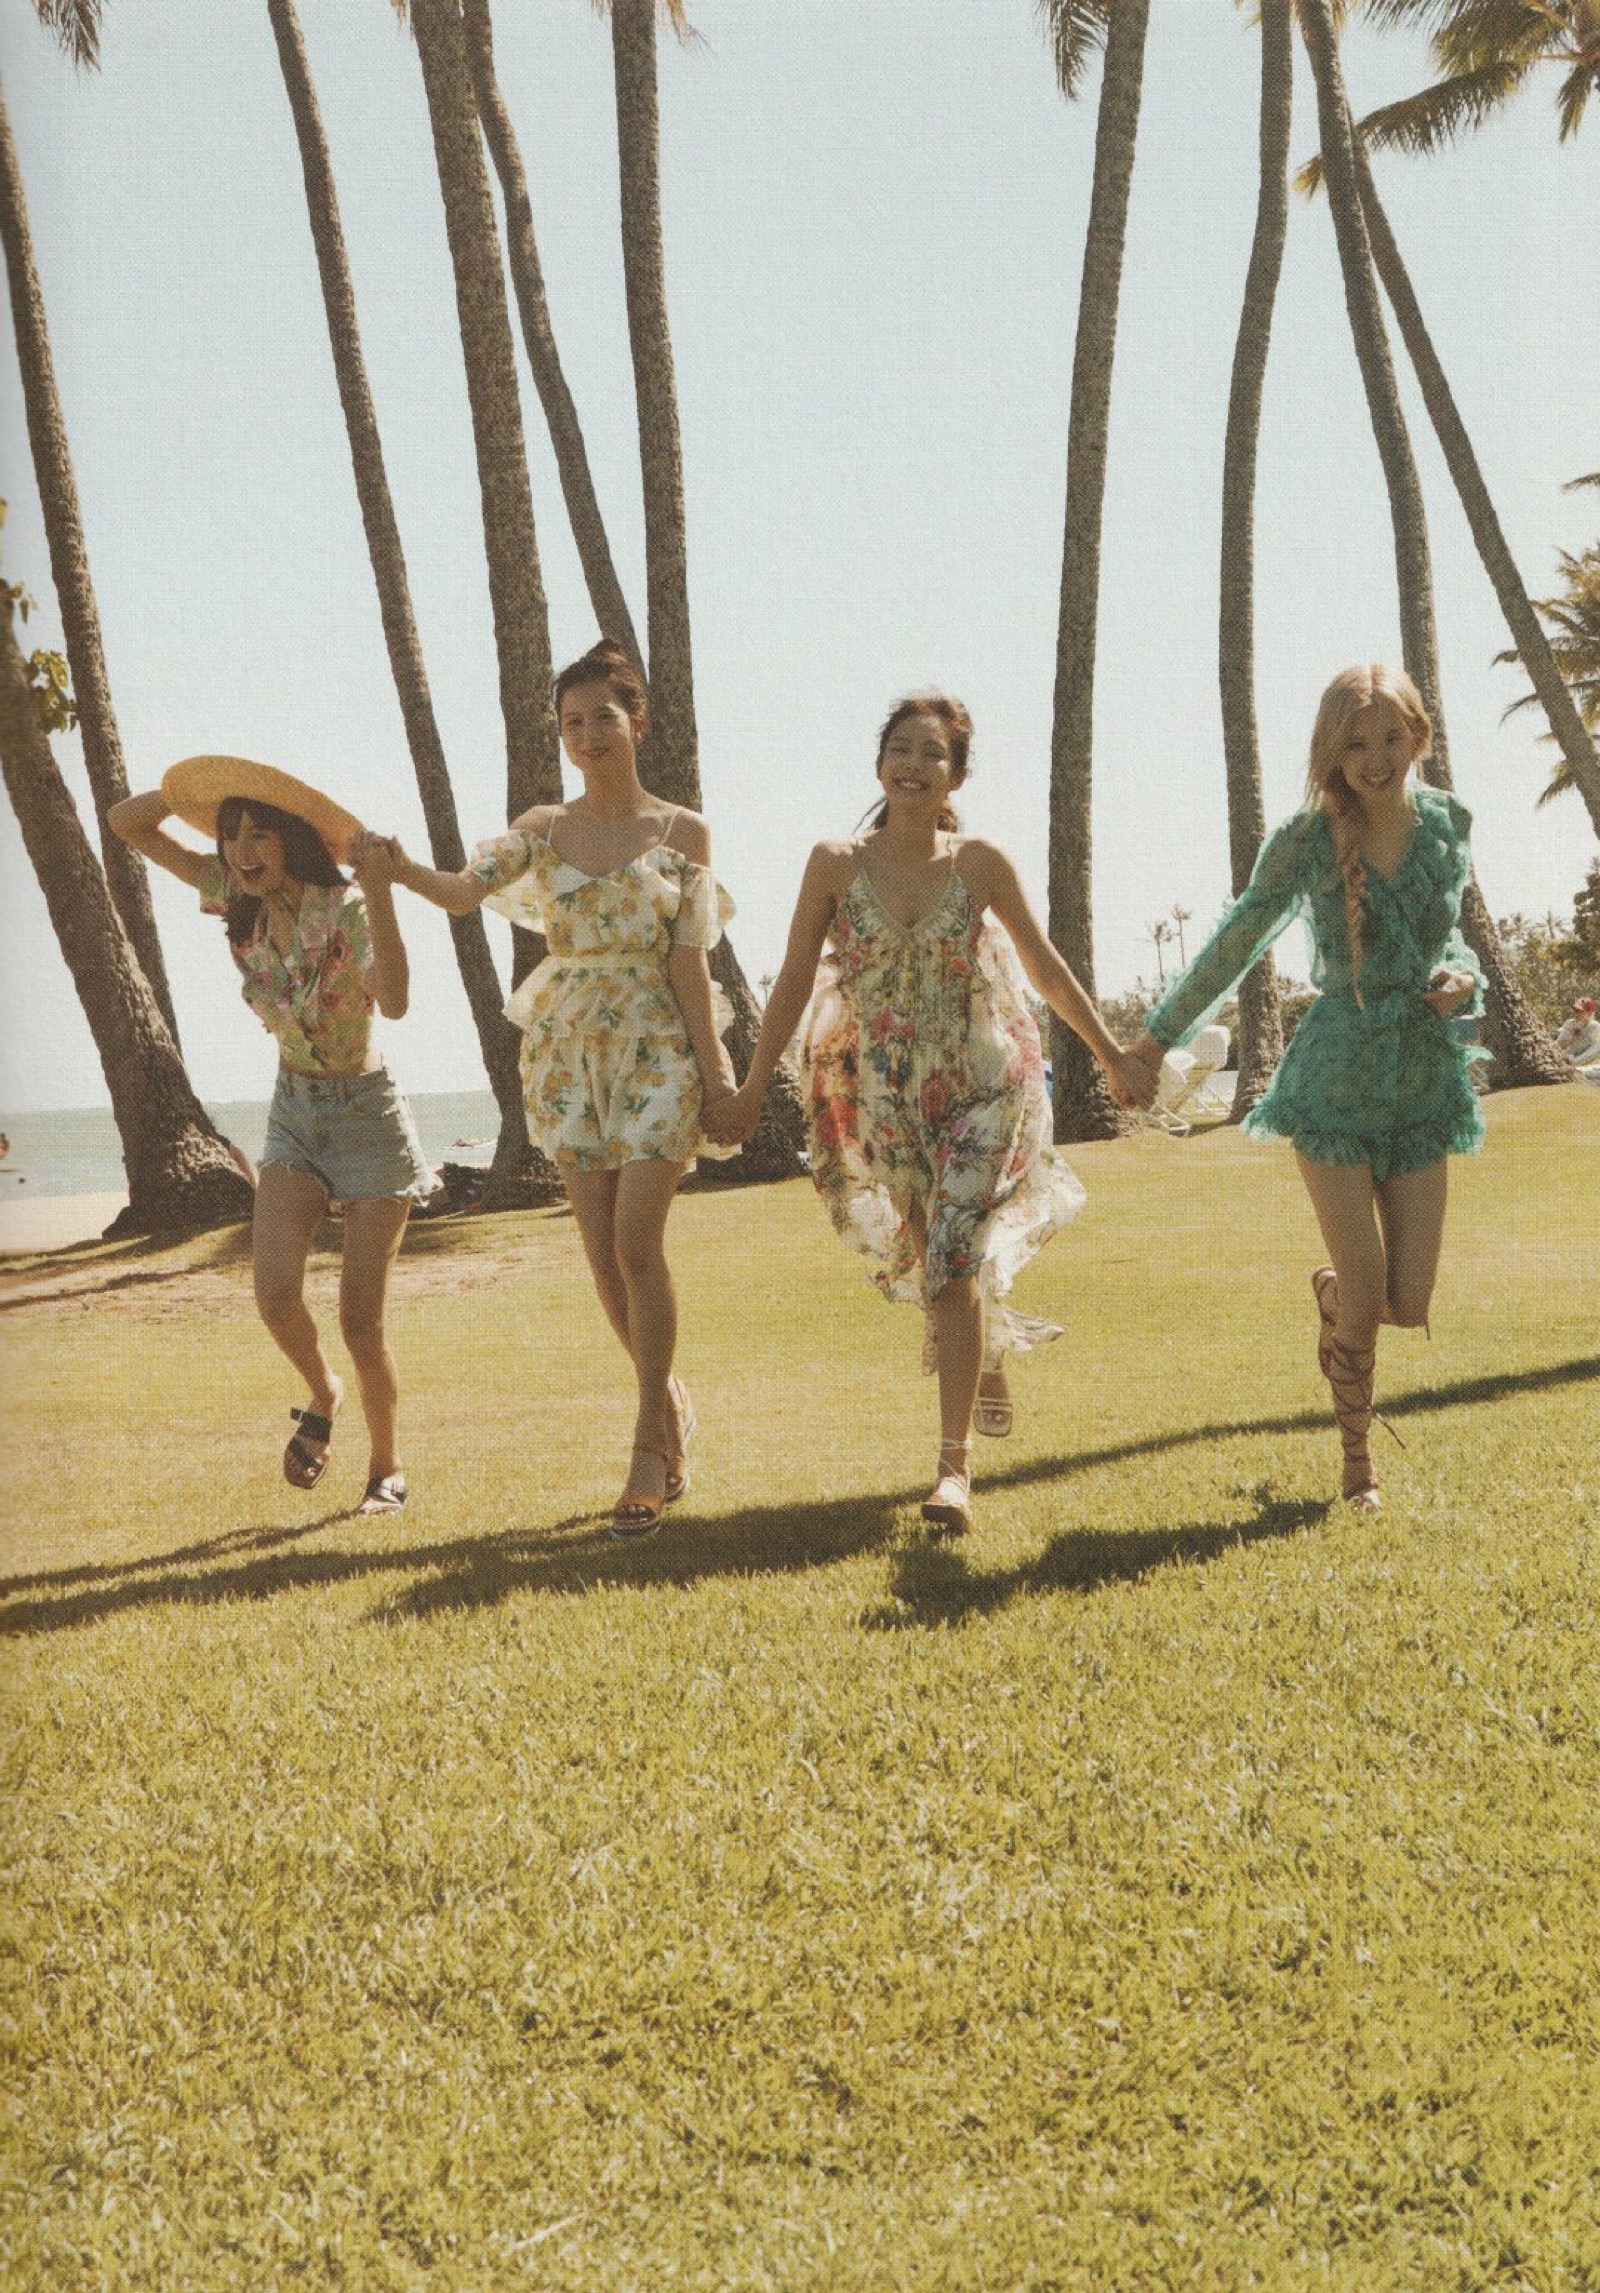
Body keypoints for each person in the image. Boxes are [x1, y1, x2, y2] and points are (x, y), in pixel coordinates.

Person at [708, 693, 1142, 1536]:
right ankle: (984, 1348)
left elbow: (1045, 967)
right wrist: (755, 1085)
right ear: (879, 765)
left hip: (983, 1085)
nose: (913, 765)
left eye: (932, 754)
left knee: (949, 1258)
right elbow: (793, 978)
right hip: (888, 1096)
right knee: (937, 1262)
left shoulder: (979, 862)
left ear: (956, 777)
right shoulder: (834, 863)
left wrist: (1111, 1053)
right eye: (900, 749)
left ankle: (953, 1473)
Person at [370, 639, 737, 1536]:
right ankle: (670, 1407)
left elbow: (690, 962)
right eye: (571, 724)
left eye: (602, 717)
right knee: (603, 1257)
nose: (586, 736)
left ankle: (646, 1446)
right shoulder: (542, 827)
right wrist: (396, 868)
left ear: (637, 721)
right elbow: (463, 891)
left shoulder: (683, 833)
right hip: (568, 1053)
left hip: (657, 1046)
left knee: (638, 1244)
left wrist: (720, 1071)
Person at [1122, 665, 1483, 1511]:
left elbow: (1454, 939)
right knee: (1367, 1292)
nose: (1376, 758)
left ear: (1419, 737)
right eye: (1356, 743)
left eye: (1390, 737)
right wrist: (1157, 1036)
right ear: (1331, 752)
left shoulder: (1448, 824)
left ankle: (1331, 1293)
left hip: (1422, 1080)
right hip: (1333, 1084)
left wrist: (1461, 976)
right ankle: (1358, 1466)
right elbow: (1238, 937)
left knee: (1407, 1301)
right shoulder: (1307, 838)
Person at [109, 757, 434, 1515]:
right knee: (275, 1293)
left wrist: (380, 893)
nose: (242, 850)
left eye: (260, 833)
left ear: (292, 839)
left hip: (368, 1119)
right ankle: (323, 1391)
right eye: (232, 836)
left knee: (361, 1320)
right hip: (294, 1111)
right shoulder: (233, 896)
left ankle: (386, 1468)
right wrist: (201, 788)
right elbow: (128, 823)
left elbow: (395, 1001)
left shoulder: (346, 907)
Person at [1554, 997, 1600, 1067]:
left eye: (1581, 1011)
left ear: (1590, 1013)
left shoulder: (1594, 1026)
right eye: (1576, 1010)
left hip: (1580, 1059)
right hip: (1566, 1057)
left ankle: (1574, 1063)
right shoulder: (1569, 1023)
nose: (1577, 1013)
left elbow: (1594, 1049)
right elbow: (1558, 1046)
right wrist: (1573, 1037)